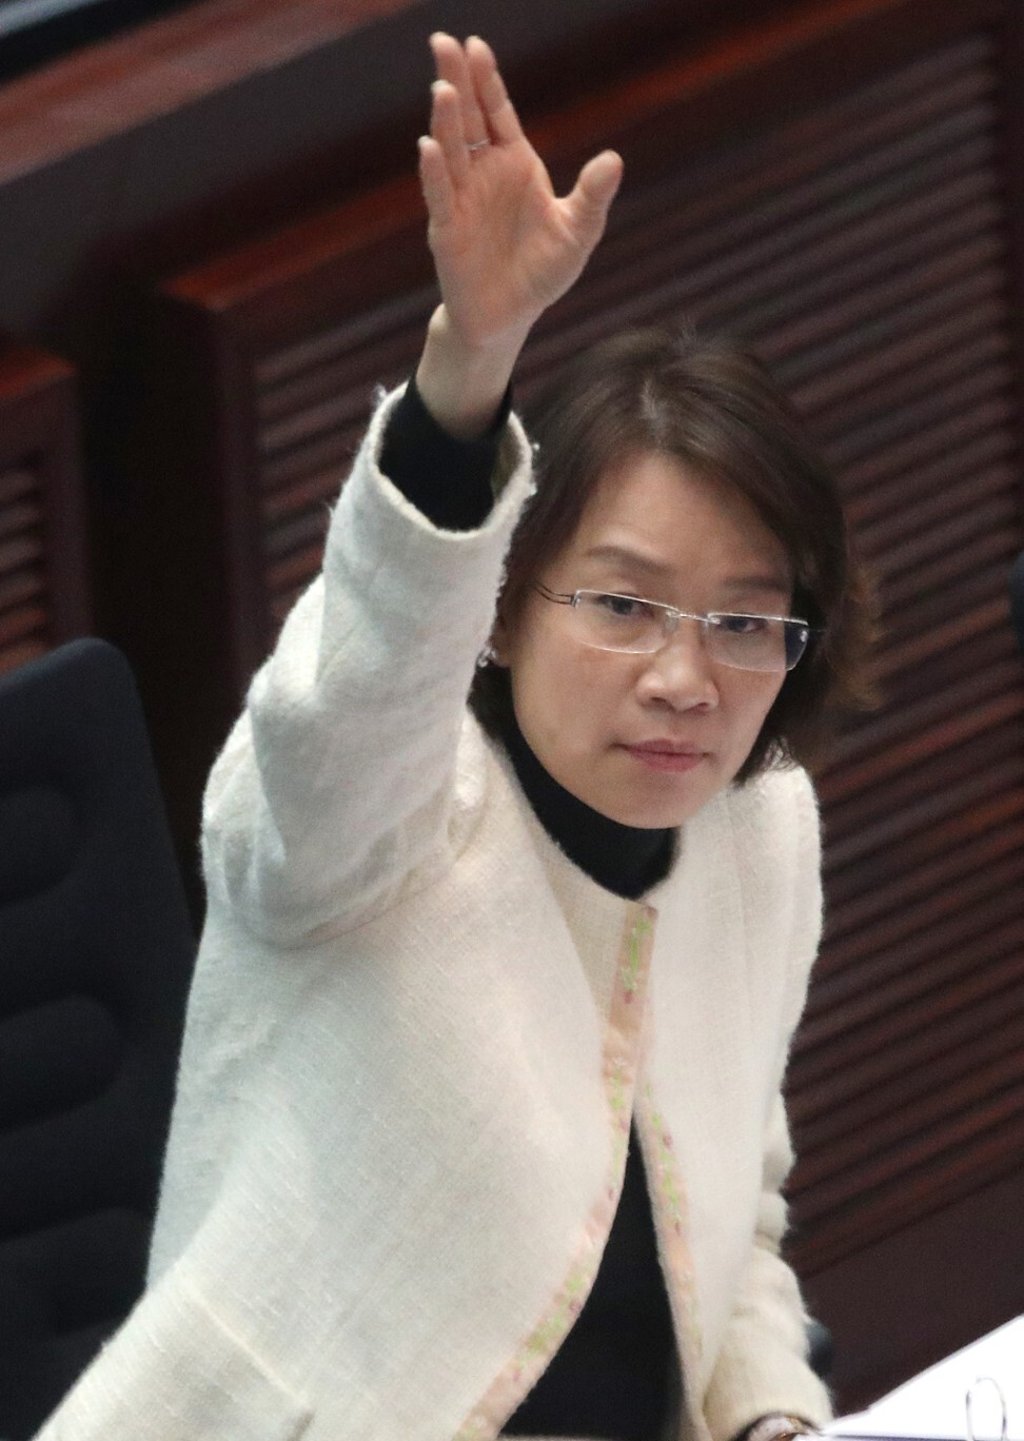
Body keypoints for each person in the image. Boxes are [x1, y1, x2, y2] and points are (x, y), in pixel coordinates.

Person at [34, 32, 873, 1441]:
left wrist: (771, 1415)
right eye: (623, 603)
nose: (685, 678)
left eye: (745, 623)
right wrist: (466, 366)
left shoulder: (763, 829)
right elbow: (345, 712)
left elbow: (736, 1222)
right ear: (496, 602)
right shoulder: (384, 821)